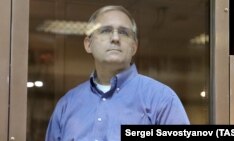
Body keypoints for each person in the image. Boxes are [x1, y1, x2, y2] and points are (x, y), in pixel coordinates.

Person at [45, 5, 190, 141]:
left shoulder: (162, 99)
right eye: (105, 30)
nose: (115, 38)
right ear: (88, 44)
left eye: (123, 33)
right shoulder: (67, 105)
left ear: (134, 47)